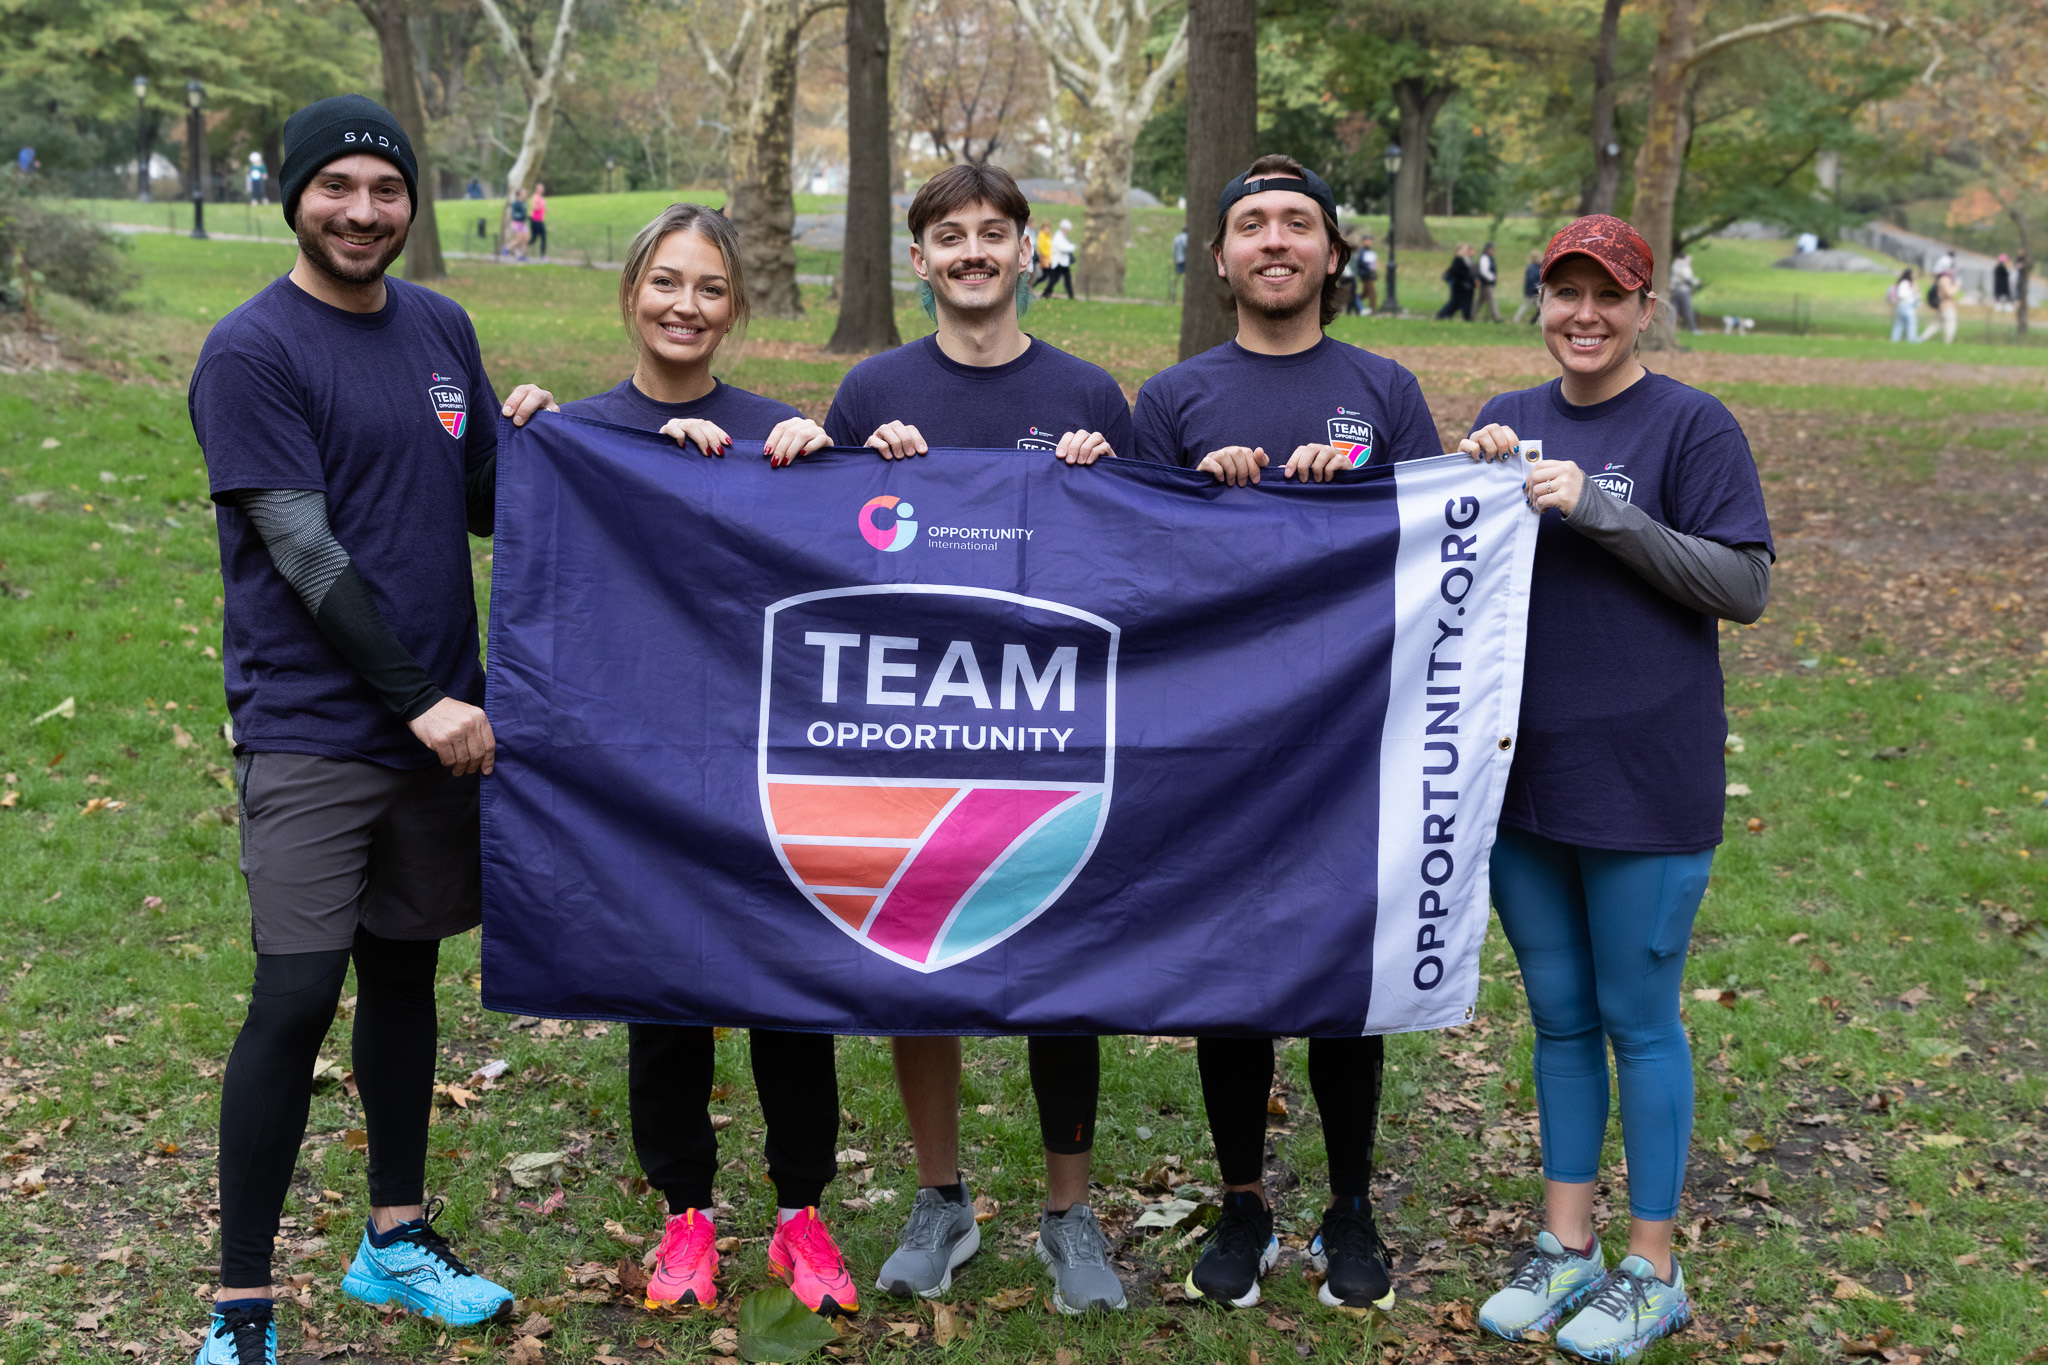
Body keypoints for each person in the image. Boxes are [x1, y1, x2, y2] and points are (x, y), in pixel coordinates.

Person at [185, 93, 558, 1365]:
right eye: (336, 187)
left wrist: (581, 447)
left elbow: (493, 504)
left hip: (436, 735)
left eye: (385, 191)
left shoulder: (441, 329)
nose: (362, 212)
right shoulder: (252, 352)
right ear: (293, 197)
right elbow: (300, 547)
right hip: (313, 731)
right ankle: (242, 1309)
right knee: (292, 1000)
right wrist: (420, 700)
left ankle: (393, 1240)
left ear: (411, 204)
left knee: (404, 977)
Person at [501, 204, 853, 1318]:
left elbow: (851, 557)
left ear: (734, 307)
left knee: (792, 999)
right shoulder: (578, 435)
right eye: (665, 282)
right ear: (630, 293)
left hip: (767, 764)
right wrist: (534, 438)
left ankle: (801, 1213)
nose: (683, 307)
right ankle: (685, 1219)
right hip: (639, 767)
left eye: (707, 288)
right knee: (664, 996)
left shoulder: (774, 431)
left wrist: (818, 455)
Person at [1132, 153, 1441, 1313]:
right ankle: (1243, 1200)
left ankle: (1348, 1204)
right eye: (1250, 224)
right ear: (1218, 257)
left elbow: (1435, 555)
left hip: (1351, 731)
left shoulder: (1383, 389)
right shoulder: (1172, 400)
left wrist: (1349, 496)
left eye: (1296, 224)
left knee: (1336, 975)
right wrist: (1204, 496)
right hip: (1215, 738)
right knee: (1232, 975)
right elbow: (1136, 567)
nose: (1274, 240)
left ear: (1329, 252)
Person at [1460, 214, 1771, 1362]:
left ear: (1645, 307)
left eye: (1606, 294)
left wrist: (1602, 510)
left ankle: (1651, 1263)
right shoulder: (1511, 416)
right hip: (1520, 778)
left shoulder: (1691, 424)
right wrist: (1474, 477)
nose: (1580, 315)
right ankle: (1563, 1246)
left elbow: (1741, 583)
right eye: (1561, 293)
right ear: (1538, 303)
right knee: (1557, 1019)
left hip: (1644, 778)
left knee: (1638, 1023)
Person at [822, 162, 1131, 1317]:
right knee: (919, 962)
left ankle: (1068, 1212)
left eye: (991, 234)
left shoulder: (1092, 392)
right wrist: (855, 462)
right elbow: (827, 552)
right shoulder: (872, 392)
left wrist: (1106, 480)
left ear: (1022, 250)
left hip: (1050, 729)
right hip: (913, 731)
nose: (970, 253)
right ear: (918, 259)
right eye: (947, 236)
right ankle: (941, 1197)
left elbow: (1143, 567)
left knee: (1059, 972)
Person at [1039, 218, 1077, 300]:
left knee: (1066, 279)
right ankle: (1045, 294)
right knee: (1054, 280)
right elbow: (1063, 247)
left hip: (1063, 263)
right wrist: (1073, 247)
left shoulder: (1062, 236)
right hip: (1058, 263)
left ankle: (1071, 295)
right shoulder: (1058, 236)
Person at [1437, 243, 1475, 321]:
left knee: (1457, 303)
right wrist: (1466, 276)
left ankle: (1447, 315)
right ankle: (1441, 314)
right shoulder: (1458, 260)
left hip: (1461, 285)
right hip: (1458, 285)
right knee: (1454, 302)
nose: (1463, 251)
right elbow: (1456, 271)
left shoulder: (1462, 259)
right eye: (1461, 250)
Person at [1668, 252, 1702, 335]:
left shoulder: (1674, 265)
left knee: (1673, 310)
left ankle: (1669, 329)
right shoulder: (1683, 266)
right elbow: (1687, 278)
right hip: (1683, 291)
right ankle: (1693, 328)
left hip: (1674, 290)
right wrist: (1696, 282)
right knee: (1688, 310)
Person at [1887, 268, 1921, 343]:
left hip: (1907, 306)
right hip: (1905, 305)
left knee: (1900, 324)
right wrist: (1912, 291)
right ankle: (1910, 339)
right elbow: (1901, 295)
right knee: (1910, 323)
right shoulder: (1904, 283)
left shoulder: (1911, 283)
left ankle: (1896, 339)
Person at [1511, 249, 1543, 326]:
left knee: (1540, 307)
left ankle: (1540, 322)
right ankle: (1516, 319)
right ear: (1536, 258)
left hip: (1535, 291)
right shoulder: (1531, 268)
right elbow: (1531, 281)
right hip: (1532, 292)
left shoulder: (1537, 267)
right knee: (1527, 306)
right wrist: (1537, 288)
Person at [1352, 232, 1379, 315]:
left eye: (1370, 240)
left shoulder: (1370, 251)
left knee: (1365, 293)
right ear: (1363, 241)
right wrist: (1366, 269)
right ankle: (1372, 311)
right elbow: (1360, 263)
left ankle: (1353, 300)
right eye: (1367, 240)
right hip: (1366, 275)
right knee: (1372, 293)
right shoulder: (1362, 251)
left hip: (1370, 275)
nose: (1369, 242)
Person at [1476, 239, 1502, 322]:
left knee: (1480, 301)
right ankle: (1497, 318)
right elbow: (1484, 271)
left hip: (1488, 283)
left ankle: (1471, 315)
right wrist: (1492, 277)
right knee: (1492, 301)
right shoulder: (1484, 258)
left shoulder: (1490, 258)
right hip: (1486, 283)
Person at [1934, 268, 1959, 344]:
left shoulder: (1942, 279)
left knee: (1937, 324)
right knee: (1951, 325)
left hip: (1944, 305)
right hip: (1947, 306)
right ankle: (1947, 342)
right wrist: (1957, 285)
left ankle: (1921, 339)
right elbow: (1949, 293)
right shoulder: (1945, 279)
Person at [505, 188, 530, 263]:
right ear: (519, 194)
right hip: (517, 223)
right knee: (519, 239)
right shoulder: (515, 203)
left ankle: (522, 255)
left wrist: (527, 217)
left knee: (526, 239)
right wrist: (522, 216)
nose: (525, 194)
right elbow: (514, 214)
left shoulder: (524, 203)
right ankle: (506, 248)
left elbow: (524, 213)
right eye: (524, 193)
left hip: (522, 223)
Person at [529, 181, 549, 259]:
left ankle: (543, 254)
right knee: (533, 239)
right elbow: (533, 207)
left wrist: (545, 208)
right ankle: (521, 246)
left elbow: (542, 208)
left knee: (544, 237)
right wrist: (542, 206)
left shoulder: (541, 198)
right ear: (536, 189)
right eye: (540, 188)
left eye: (542, 188)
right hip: (535, 221)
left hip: (541, 221)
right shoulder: (535, 197)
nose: (542, 189)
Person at [1170, 226, 1188, 301]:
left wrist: (1175, 258)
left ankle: (1173, 293)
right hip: (1185, 260)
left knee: (1177, 276)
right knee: (1186, 277)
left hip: (1178, 260)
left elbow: (1174, 249)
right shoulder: (1187, 237)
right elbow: (1186, 247)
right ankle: (1184, 294)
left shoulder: (1177, 238)